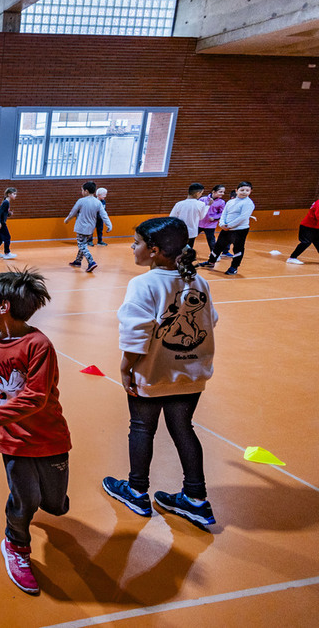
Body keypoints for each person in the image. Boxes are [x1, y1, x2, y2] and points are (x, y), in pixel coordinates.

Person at [102, 217, 218, 531]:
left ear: (153, 250)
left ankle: (137, 492)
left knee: (141, 427)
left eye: (136, 242)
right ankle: (196, 498)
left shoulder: (144, 284)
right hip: (190, 374)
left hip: (154, 373)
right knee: (184, 429)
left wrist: (126, 368)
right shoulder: (197, 281)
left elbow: (136, 333)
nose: (132, 247)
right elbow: (212, 320)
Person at [0, 269, 71, 596]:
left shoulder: (39, 345)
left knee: (54, 505)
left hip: (50, 437)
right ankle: (16, 545)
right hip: (12, 440)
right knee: (25, 500)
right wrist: (0, 425)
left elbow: (36, 397)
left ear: (5, 307)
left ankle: (46, 500)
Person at [200, 181, 255, 275]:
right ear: (236, 190)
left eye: (247, 190)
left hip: (239, 230)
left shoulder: (248, 203)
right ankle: (210, 262)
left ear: (250, 191)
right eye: (242, 190)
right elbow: (224, 213)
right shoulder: (230, 202)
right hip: (226, 229)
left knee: (238, 248)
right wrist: (222, 224)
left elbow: (243, 217)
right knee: (218, 246)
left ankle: (234, 267)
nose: (244, 192)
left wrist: (229, 226)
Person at [64, 181, 112, 273]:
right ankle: (78, 261)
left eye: (82, 190)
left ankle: (91, 262)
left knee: (81, 245)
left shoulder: (81, 201)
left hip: (81, 227)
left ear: (86, 191)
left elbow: (72, 212)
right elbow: (104, 215)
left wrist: (67, 220)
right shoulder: (98, 203)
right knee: (83, 244)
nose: (81, 192)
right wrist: (109, 225)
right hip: (90, 228)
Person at [169, 183, 207, 248]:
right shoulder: (201, 204)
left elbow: (172, 218)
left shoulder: (179, 204)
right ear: (197, 193)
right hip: (192, 232)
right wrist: (208, 206)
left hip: (179, 232)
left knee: (178, 249)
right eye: (201, 193)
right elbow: (201, 217)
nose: (201, 195)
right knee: (188, 250)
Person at [287, 198, 319, 265]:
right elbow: (318, 216)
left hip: (315, 227)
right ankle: (292, 258)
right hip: (308, 226)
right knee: (306, 242)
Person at [196, 184, 226, 254]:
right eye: (220, 191)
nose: (222, 193)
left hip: (210, 225)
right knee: (191, 238)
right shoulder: (203, 199)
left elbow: (222, 213)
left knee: (211, 240)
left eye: (223, 192)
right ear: (213, 191)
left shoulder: (221, 202)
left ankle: (214, 255)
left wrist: (215, 217)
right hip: (199, 223)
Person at [0, 187, 18, 260]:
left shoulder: (7, 202)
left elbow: (3, 213)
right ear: (9, 194)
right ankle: (7, 253)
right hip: (0, 222)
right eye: (14, 194)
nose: (15, 195)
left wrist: (9, 214)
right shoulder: (6, 202)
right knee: (7, 237)